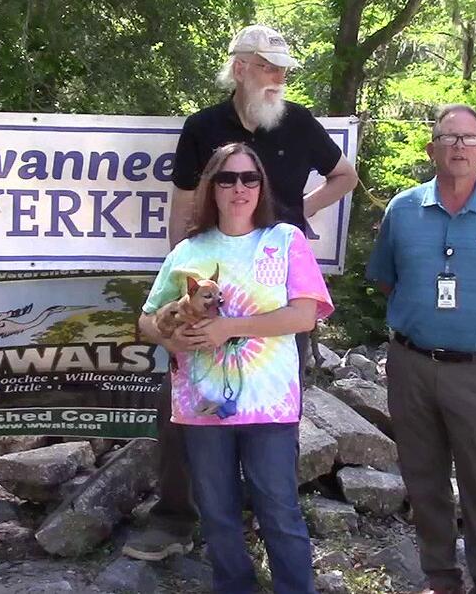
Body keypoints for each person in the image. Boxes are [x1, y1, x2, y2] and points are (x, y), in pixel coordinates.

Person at [124, 23, 356, 561]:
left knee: (278, 408)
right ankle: (176, 519)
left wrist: (301, 214)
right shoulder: (202, 126)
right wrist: (181, 263)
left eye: (282, 70)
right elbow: (184, 203)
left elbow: (345, 175)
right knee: (181, 403)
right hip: (207, 281)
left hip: (275, 287)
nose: (278, 78)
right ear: (241, 68)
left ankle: (269, 515)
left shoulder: (298, 123)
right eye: (269, 67)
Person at [138, 142, 333, 594]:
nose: (239, 188)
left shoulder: (285, 240)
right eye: (227, 179)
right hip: (200, 407)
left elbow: (304, 315)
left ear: (262, 187)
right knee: (217, 512)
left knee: (279, 510)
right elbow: (146, 318)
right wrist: (168, 335)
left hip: (269, 406)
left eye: (249, 178)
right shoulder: (188, 251)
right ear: (211, 187)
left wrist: (228, 327)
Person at [366, 104, 476, 594]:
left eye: (469, 138)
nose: (459, 146)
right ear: (431, 148)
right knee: (424, 478)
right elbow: (385, 279)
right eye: (449, 137)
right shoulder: (402, 209)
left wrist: (473, 318)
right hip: (411, 364)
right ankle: (439, 577)